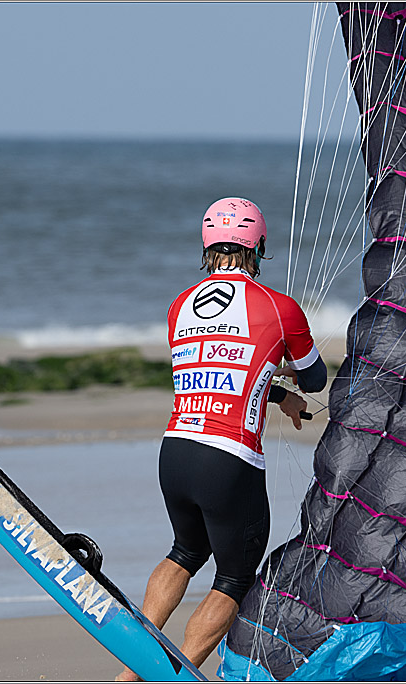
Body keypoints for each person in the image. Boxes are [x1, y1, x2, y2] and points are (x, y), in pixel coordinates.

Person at [117, 197, 327, 681]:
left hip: (176, 450)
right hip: (228, 458)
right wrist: (290, 386)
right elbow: (314, 379)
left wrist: (275, 394)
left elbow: (217, 372)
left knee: (185, 551)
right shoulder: (279, 306)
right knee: (234, 577)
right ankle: (181, 674)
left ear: (206, 244)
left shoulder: (179, 305)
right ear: (261, 246)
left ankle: (129, 672)